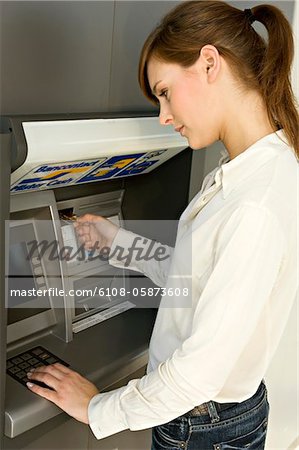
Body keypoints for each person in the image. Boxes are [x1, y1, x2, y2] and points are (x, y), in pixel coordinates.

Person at [26, 1, 298, 448]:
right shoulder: (258, 170)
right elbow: (199, 278)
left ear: (210, 63)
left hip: (202, 427)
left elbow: (198, 374)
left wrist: (98, 408)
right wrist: (119, 243)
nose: (164, 116)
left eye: (165, 91)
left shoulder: (254, 203)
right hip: (222, 419)